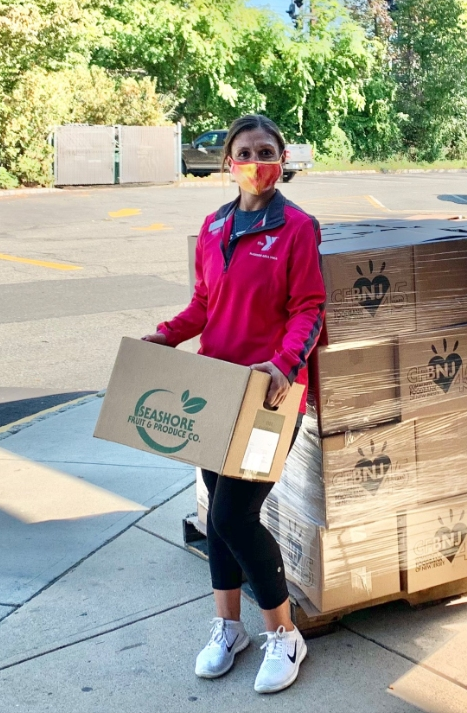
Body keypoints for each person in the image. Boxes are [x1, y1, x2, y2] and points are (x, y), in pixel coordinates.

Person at [144, 113, 325, 694]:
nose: (255, 161)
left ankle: (283, 633)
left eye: (266, 151)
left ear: (283, 159)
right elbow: (204, 304)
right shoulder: (215, 225)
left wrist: (283, 364)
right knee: (216, 512)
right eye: (244, 151)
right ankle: (228, 628)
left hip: (268, 395)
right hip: (215, 390)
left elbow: (309, 309)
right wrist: (167, 335)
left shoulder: (297, 227)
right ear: (228, 163)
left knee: (233, 515)